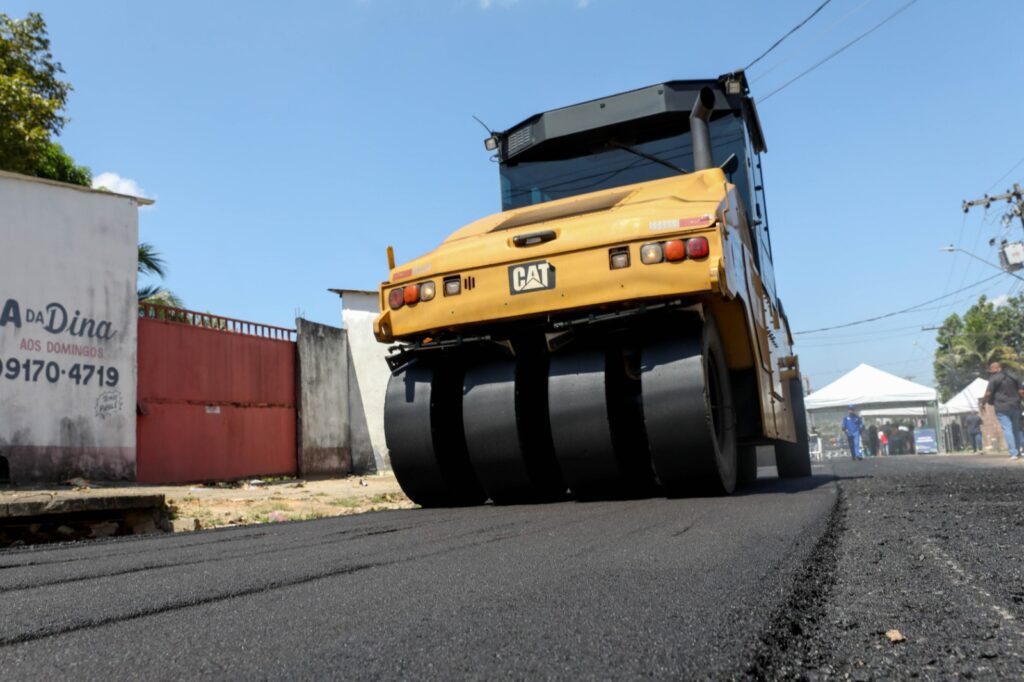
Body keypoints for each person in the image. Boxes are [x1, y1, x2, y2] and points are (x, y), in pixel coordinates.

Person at [982, 361, 1024, 459]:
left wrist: (983, 403)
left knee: (1007, 429)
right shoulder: (1015, 376)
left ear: (997, 368)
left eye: (992, 369)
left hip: (1001, 407)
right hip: (1015, 405)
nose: (991, 372)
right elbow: (1021, 391)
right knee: (1016, 429)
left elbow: (988, 393)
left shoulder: (993, 379)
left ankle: (1013, 453)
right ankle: (1017, 451)